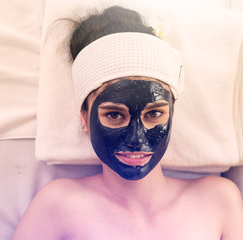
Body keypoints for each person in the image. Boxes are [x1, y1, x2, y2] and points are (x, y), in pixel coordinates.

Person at [13, 6, 243, 240]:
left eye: (154, 114)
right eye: (114, 115)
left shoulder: (219, 201)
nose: (136, 139)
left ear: (172, 115)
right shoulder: (57, 205)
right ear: (84, 118)